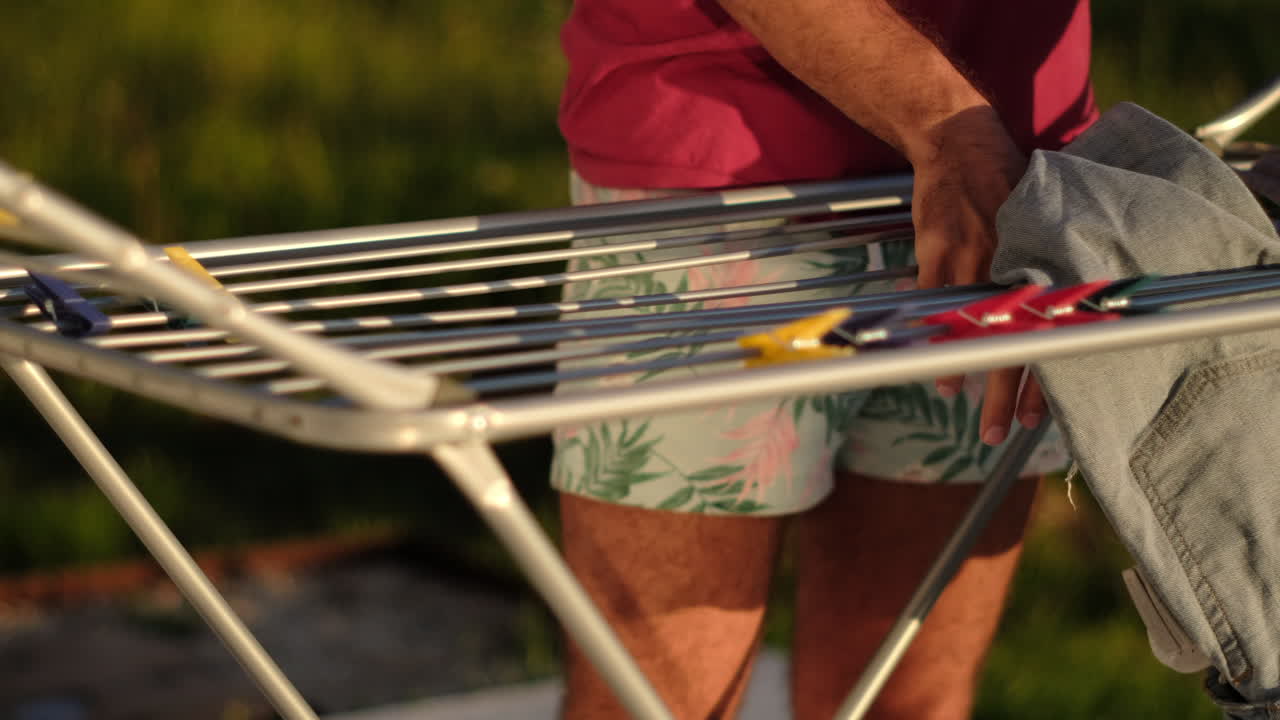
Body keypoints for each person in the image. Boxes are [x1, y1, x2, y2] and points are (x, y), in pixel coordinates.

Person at [551, 1, 1098, 718]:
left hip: (1003, 191)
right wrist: (948, 126)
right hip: (720, 186)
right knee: (653, 705)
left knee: (912, 705)